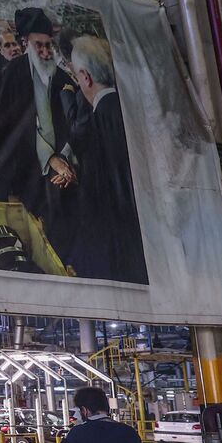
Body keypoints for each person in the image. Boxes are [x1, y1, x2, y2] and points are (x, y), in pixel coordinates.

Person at [0, 7, 80, 261]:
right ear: (26, 43)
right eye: (40, 46)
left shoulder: (59, 76)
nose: (46, 52)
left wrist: (65, 160)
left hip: (62, 169)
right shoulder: (12, 75)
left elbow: (72, 123)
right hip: (24, 170)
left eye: (49, 46)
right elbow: (13, 129)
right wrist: (50, 160)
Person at [68, 35, 148, 284]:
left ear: (86, 77)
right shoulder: (135, 113)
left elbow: (103, 193)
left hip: (120, 257)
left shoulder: (99, 121)